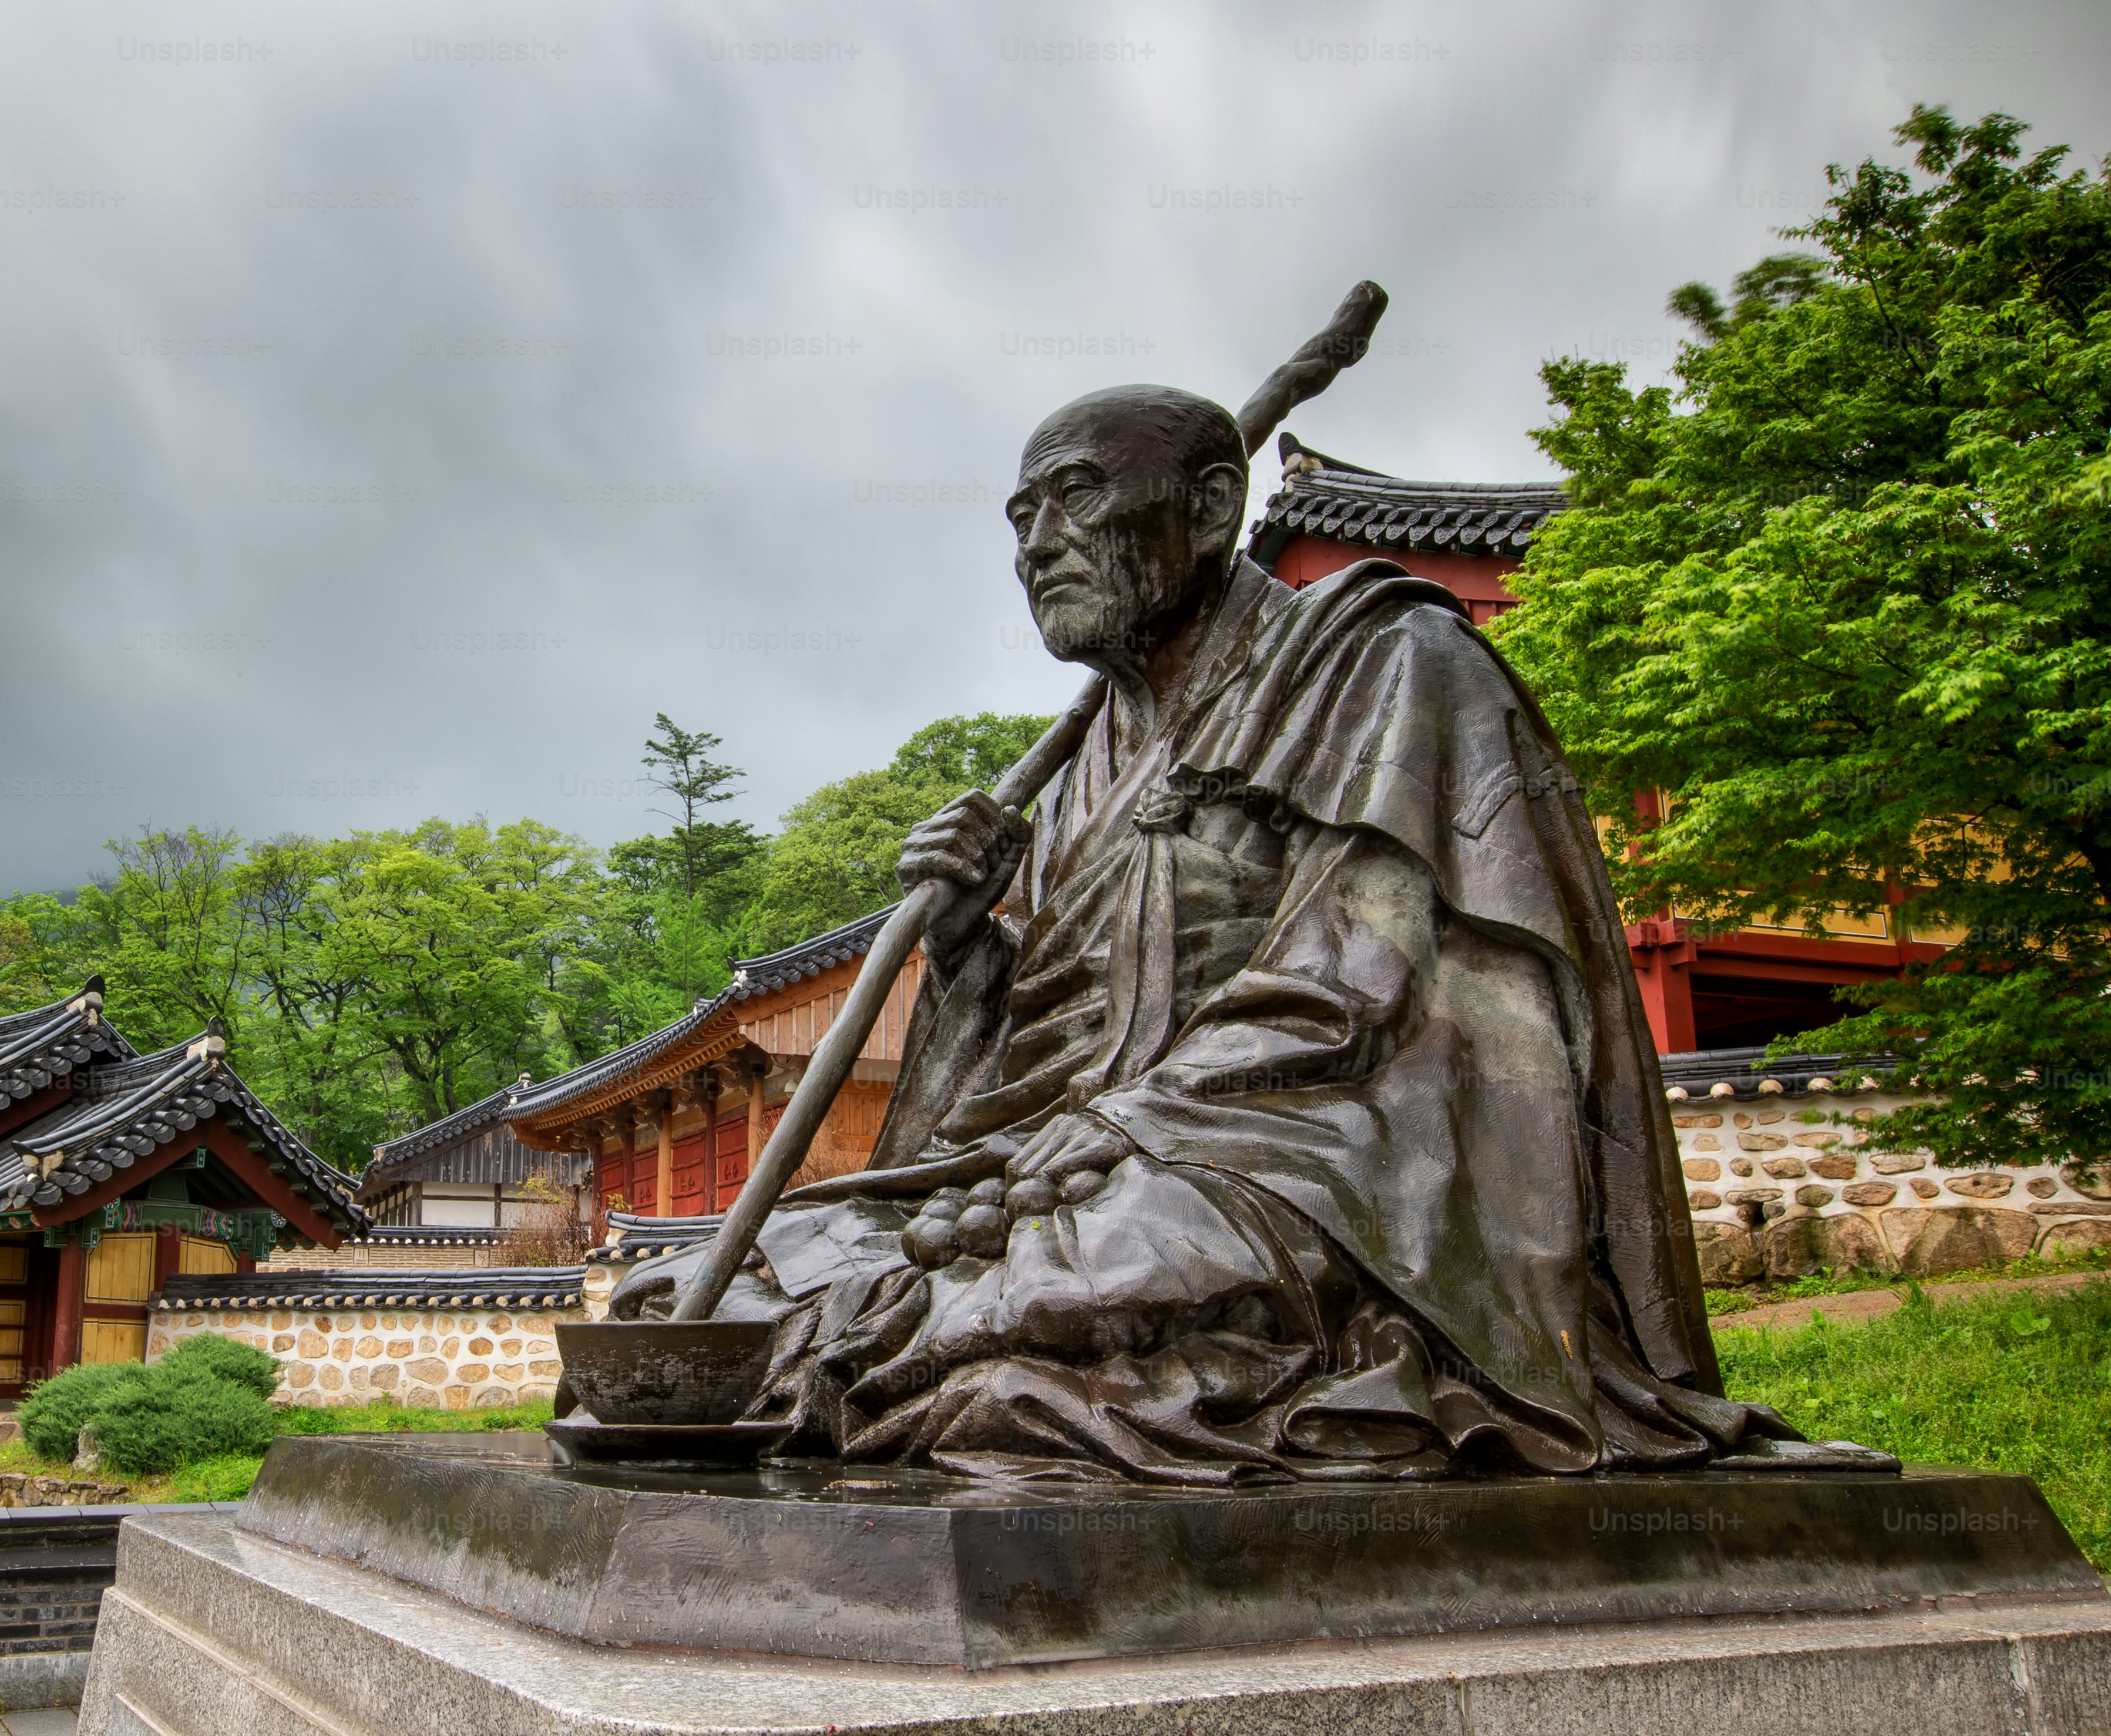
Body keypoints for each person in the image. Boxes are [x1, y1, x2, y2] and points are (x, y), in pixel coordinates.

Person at [615, 383, 1835, 1485]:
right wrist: (975, 955)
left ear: (1208, 509)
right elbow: (1037, 1070)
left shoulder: (1381, 660)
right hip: (1077, 1159)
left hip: (1309, 1154)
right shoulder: (1089, 766)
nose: (1037, 543)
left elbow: (1362, 981)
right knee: (707, 1282)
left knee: (1040, 1300)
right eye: (1018, 517)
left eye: (1075, 499)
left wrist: (1133, 1124)